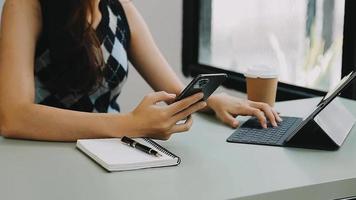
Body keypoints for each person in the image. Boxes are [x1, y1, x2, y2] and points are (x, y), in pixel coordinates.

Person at [0, 0, 281, 141]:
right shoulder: (26, 5)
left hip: (109, 152)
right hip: (44, 152)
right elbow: (13, 117)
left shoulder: (122, 11)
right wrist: (129, 125)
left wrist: (213, 101)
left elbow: (174, 90)